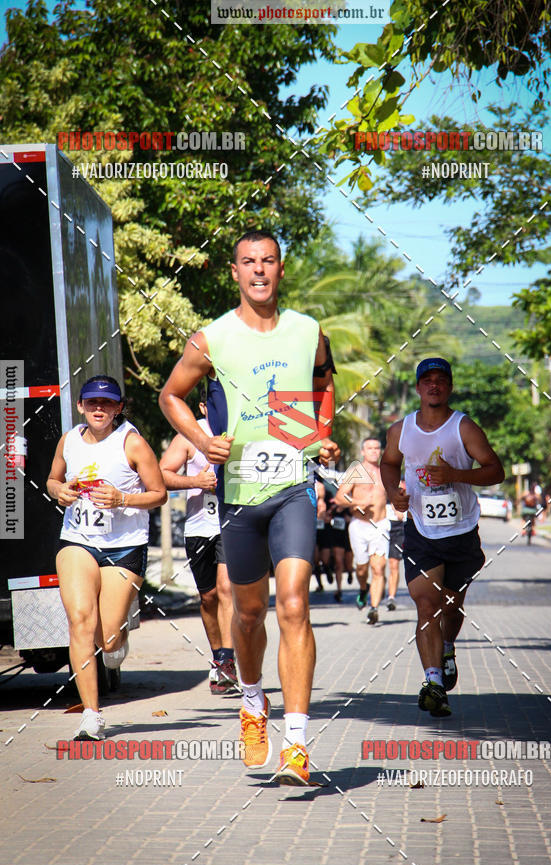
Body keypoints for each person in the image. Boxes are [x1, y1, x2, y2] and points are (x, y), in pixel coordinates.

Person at [159, 230, 339, 785]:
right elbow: (171, 395)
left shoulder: (309, 332)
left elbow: (323, 382)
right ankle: (254, 702)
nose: (259, 270)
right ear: (234, 272)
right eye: (248, 262)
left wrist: (321, 433)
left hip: (292, 490)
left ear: (282, 270)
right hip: (237, 496)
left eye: (268, 261)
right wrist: (201, 436)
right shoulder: (212, 337)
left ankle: (299, 743)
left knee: (293, 606)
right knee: (249, 612)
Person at [380, 358, 504, 717]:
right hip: (421, 529)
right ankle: (433, 683)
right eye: (427, 380)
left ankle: (448, 645)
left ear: (449, 387)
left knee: (451, 606)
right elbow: (389, 463)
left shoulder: (462, 427)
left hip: (462, 531)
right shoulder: (400, 430)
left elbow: (495, 470)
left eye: (441, 380)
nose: (434, 386)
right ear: (418, 387)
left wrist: (454, 474)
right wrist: (393, 491)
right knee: (425, 605)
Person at [47, 375, 167, 740]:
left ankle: (117, 638)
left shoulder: (132, 443)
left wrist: (122, 500)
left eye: (108, 404)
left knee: (107, 641)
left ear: (118, 408)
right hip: (77, 541)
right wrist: (59, 491)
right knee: (80, 620)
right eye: (92, 403)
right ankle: (91, 715)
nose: (100, 409)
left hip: (124, 547)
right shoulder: (68, 441)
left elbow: (159, 493)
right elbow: (52, 479)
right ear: (81, 406)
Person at [160, 395, 238, 695]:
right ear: (203, 408)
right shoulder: (188, 437)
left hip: (231, 524)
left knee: (227, 589)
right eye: (212, 403)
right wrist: (196, 481)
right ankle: (219, 656)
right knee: (208, 598)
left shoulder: (240, 433)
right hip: (198, 528)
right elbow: (162, 474)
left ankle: (228, 660)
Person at [334, 437, 389, 625]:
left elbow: (396, 494)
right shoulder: (356, 471)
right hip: (359, 525)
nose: (374, 451)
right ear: (363, 452)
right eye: (370, 448)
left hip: (381, 524)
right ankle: (363, 589)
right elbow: (340, 497)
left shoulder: (386, 473)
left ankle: (373, 609)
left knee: (378, 568)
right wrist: (358, 503)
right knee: (362, 568)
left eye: (377, 448)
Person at [386, 488, 407, 610]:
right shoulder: (377, 479)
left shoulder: (402, 485)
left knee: (393, 564)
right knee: (378, 566)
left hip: (398, 527)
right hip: (381, 525)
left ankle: (391, 597)